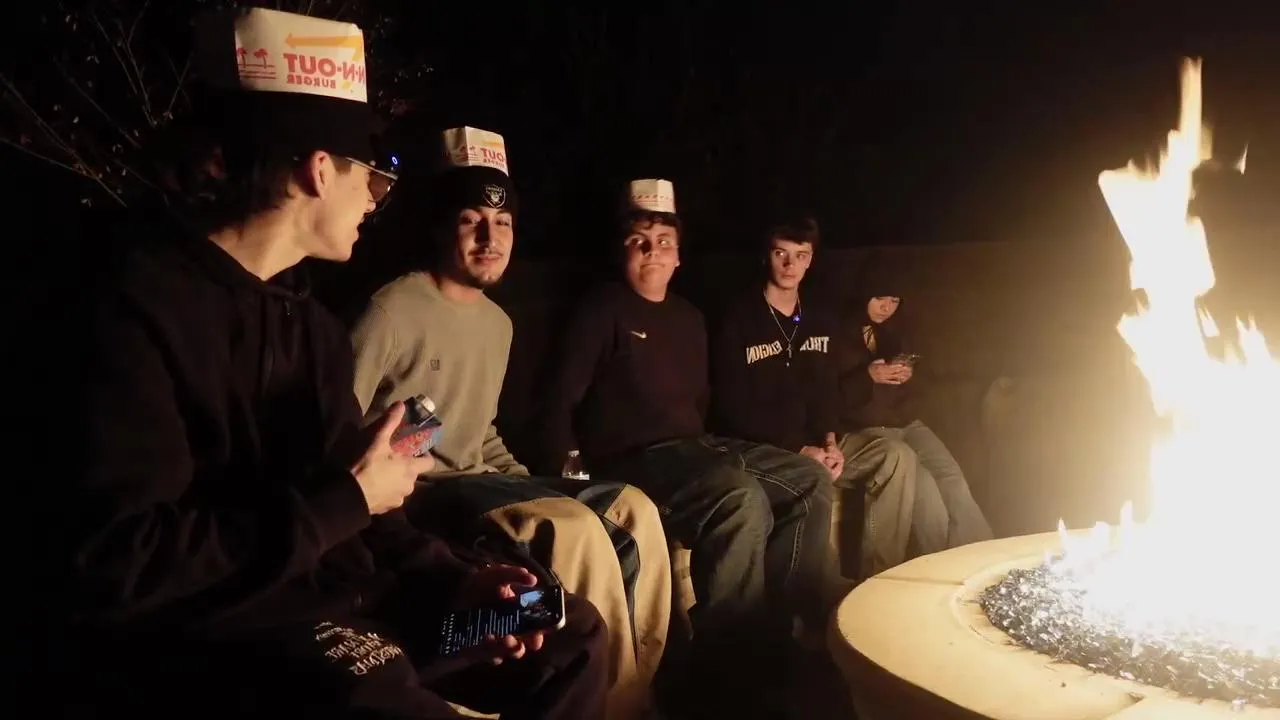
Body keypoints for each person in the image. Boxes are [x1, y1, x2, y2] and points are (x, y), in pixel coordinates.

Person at [36, 9, 607, 718]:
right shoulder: (130, 308)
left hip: (358, 605)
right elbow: (124, 562)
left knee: (564, 633)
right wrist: (345, 498)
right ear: (316, 170)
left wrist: (457, 581)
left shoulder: (309, 326)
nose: (373, 198)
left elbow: (366, 503)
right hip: (233, 635)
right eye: (369, 176)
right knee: (375, 686)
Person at [350, 128, 670, 720]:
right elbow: (343, 427)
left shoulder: (498, 323)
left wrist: (533, 481)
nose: (489, 237)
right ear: (442, 227)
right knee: (576, 528)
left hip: (483, 481)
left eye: (502, 224)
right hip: (425, 493)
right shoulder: (392, 311)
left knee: (635, 509)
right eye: (471, 220)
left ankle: (632, 695)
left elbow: (481, 432)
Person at [544, 179, 843, 717]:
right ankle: (726, 667)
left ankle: (784, 631)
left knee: (809, 480)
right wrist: (572, 475)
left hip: (692, 445)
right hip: (633, 454)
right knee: (740, 498)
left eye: (664, 242)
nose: (652, 253)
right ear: (623, 251)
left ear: (679, 255)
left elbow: (700, 404)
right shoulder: (602, 310)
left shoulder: (688, 318)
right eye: (639, 242)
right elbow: (558, 401)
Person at [711, 215, 927, 577]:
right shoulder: (738, 320)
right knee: (811, 476)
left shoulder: (817, 319)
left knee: (896, 456)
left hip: (817, 442)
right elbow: (733, 407)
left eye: (800, 255)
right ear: (766, 256)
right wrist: (800, 448)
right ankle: (806, 592)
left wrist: (829, 440)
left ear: (810, 260)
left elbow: (825, 388)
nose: (789, 265)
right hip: (766, 447)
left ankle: (877, 578)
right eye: (780, 253)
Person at [836, 258, 995, 552]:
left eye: (894, 300)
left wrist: (909, 374)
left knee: (951, 477)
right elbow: (827, 392)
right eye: (880, 298)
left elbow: (925, 377)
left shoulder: (894, 330)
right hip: (867, 426)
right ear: (864, 294)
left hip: (906, 421)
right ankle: (941, 561)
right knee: (925, 491)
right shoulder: (837, 331)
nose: (886, 307)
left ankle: (982, 554)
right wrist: (867, 376)